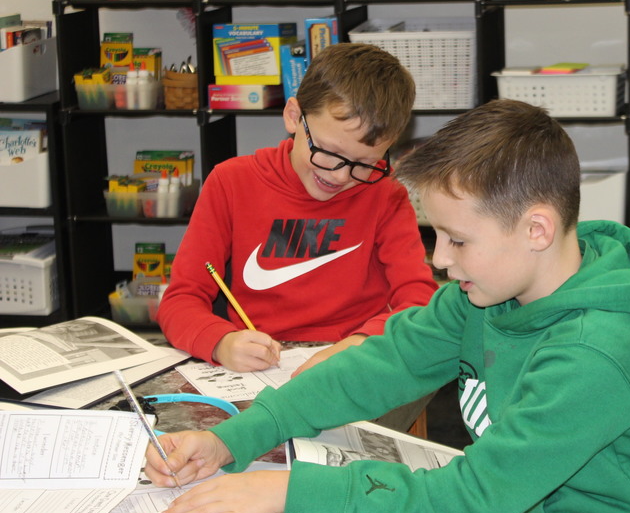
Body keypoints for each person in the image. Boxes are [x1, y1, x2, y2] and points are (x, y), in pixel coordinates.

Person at [144, 99, 630, 513]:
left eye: (458, 240)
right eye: (436, 235)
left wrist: (287, 489)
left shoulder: (598, 350)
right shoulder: (486, 294)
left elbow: (469, 503)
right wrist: (231, 438)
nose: (440, 260)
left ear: (536, 229)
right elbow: (377, 366)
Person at [157, 43, 437, 372]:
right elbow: (179, 301)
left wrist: (365, 342)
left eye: (365, 164)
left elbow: (419, 298)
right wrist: (220, 342)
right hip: (261, 364)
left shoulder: (384, 194)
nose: (340, 175)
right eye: (329, 153)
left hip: (353, 361)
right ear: (294, 117)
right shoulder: (231, 183)